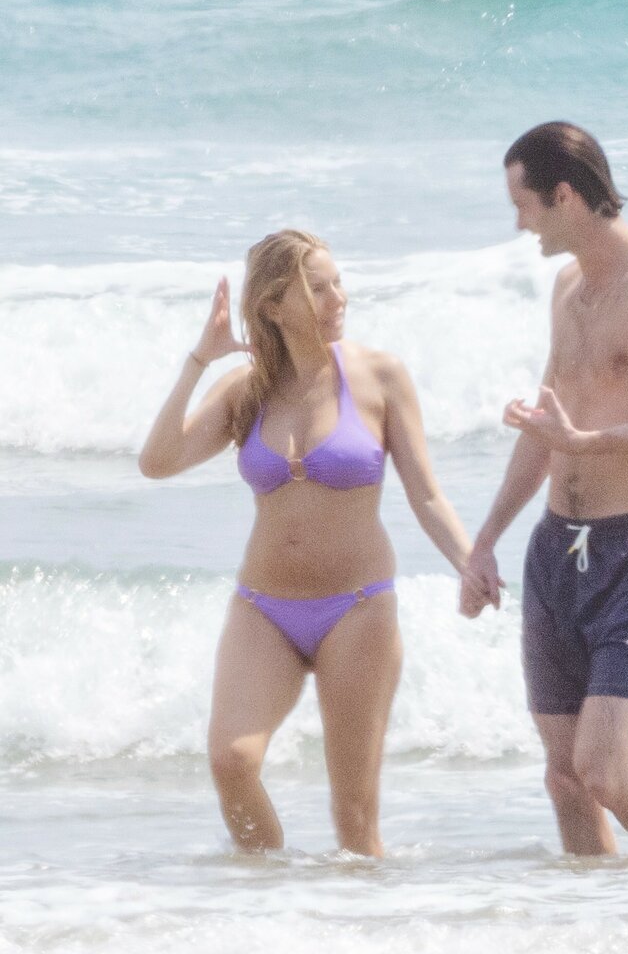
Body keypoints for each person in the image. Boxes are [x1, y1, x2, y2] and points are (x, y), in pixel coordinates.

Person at [139, 230, 472, 856]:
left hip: (357, 608)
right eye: (317, 289)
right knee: (231, 762)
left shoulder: (379, 377)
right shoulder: (246, 390)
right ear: (272, 305)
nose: (337, 298)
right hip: (264, 609)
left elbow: (427, 495)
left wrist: (469, 562)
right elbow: (157, 462)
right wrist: (199, 360)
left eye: (337, 283)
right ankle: (273, 899)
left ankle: (360, 917)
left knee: (354, 816)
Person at [462, 122, 628, 855]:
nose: (520, 223)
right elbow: (549, 427)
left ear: (564, 196)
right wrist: (484, 541)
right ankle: (597, 917)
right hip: (555, 550)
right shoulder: (567, 288)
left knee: (603, 770)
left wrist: (587, 443)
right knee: (565, 779)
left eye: (524, 205)